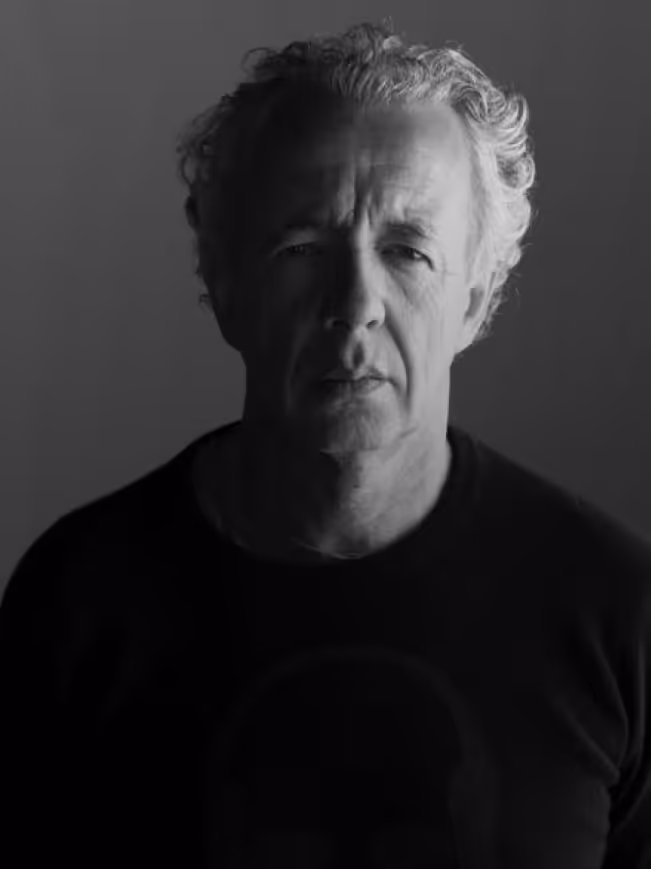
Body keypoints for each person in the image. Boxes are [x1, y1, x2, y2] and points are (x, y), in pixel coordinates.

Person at [0, 18, 650, 869]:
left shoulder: (615, 613)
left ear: (477, 298)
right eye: (301, 247)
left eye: (408, 251)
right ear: (221, 278)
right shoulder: (79, 598)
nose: (355, 303)